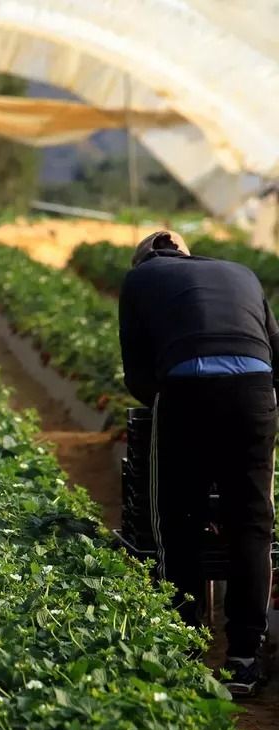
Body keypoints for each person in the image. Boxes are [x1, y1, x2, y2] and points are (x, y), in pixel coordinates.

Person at [119, 229, 279, 697]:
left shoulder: (140, 281)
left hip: (187, 393)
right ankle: (245, 660)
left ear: (144, 259)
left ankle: (184, 651)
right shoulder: (240, 272)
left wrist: (170, 405)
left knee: (177, 518)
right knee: (251, 523)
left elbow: (138, 374)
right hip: (255, 390)